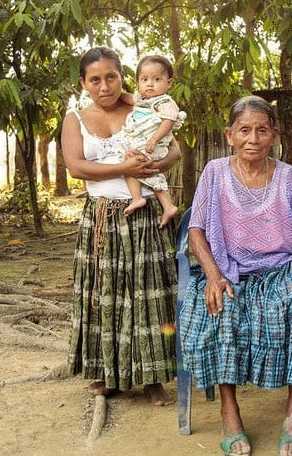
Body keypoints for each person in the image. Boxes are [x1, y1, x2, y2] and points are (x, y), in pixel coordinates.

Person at [179, 96, 292, 456]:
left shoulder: (289, 175)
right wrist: (212, 275)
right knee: (221, 308)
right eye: (244, 130)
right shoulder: (214, 171)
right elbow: (196, 231)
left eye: (261, 130)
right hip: (229, 271)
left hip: (281, 269)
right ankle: (230, 414)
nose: (252, 138)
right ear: (230, 135)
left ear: (274, 135)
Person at [62, 46, 178, 407]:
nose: (104, 86)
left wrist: (153, 168)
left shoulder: (144, 108)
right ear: (83, 83)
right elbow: (76, 167)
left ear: (122, 77)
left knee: (147, 293)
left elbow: (175, 152)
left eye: (111, 77)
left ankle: (152, 376)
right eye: (94, 79)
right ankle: (106, 373)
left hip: (144, 217)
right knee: (104, 295)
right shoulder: (76, 118)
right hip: (101, 219)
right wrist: (123, 170)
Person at [122, 54, 186, 228]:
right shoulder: (142, 100)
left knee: (137, 168)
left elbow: (168, 121)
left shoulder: (164, 101)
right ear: (138, 83)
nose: (149, 84)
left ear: (169, 83)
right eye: (144, 79)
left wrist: (154, 138)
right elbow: (126, 97)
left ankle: (145, 200)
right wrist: (115, 93)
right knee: (139, 169)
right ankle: (160, 204)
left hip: (154, 144)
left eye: (156, 79)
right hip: (143, 143)